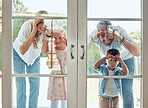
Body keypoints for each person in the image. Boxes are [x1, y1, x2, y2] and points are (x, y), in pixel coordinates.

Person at [88, 21, 141, 108]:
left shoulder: (120, 32)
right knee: (105, 88)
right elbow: (81, 49)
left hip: (126, 59)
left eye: (109, 38)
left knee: (127, 91)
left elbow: (138, 53)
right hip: (108, 59)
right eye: (103, 38)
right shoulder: (95, 34)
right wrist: (93, 39)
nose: (106, 41)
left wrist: (121, 38)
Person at [13, 10, 50, 108]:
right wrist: (34, 31)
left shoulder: (46, 29)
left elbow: (44, 52)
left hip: (34, 56)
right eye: (40, 22)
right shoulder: (27, 26)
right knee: (21, 85)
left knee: (35, 85)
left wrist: (46, 38)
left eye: (45, 22)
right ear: (36, 21)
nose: (43, 25)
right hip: (18, 54)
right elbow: (22, 50)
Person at [47, 27, 67, 108]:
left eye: (60, 37)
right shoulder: (52, 50)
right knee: (54, 101)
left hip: (65, 77)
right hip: (55, 78)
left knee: (64, 101)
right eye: (55, 38)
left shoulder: (68, 50)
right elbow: (49, 65)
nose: (57, 40)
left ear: (64, 37)